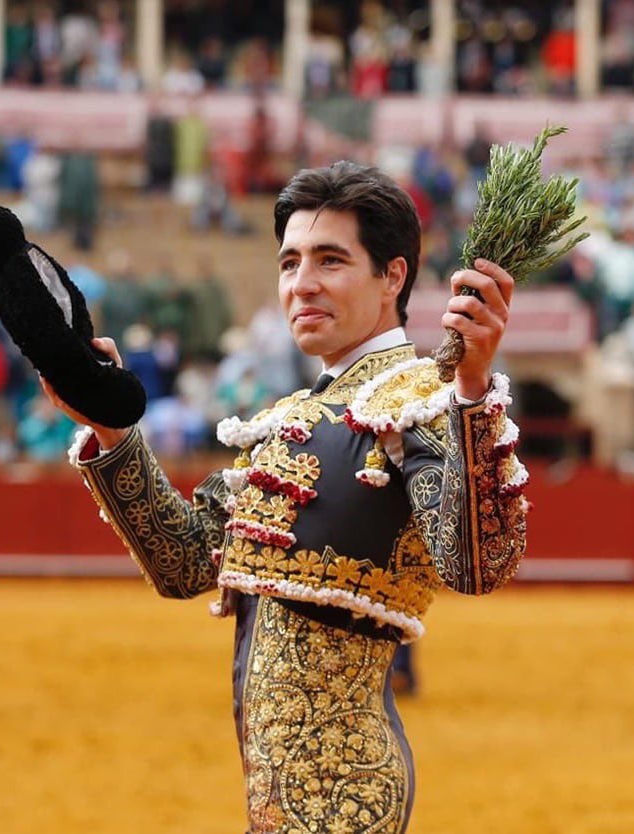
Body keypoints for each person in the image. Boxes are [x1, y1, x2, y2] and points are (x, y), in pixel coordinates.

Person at [49, 161, 529, 833]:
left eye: (330, 261)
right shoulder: (290, 417)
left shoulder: (418, 397)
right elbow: (185, 563)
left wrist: (473, 394)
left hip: (346, 795)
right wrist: (109, 428)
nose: (301, 284)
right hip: (277, 803)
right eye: (288, 263)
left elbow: (477, 566)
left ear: (392, 276)